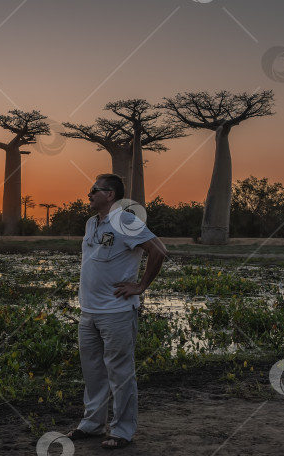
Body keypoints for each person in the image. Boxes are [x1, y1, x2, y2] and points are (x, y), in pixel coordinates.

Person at [66, 173, 166, 450]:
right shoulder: (90, 223)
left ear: (109, 195)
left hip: (117, 313)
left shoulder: (126, 221)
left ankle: (122, 431)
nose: (89, 194)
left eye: (94, 190)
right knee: (93, 372)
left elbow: (158, 250)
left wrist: (141, 286)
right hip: (89, 312)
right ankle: (92, 425)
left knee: (120, 373)